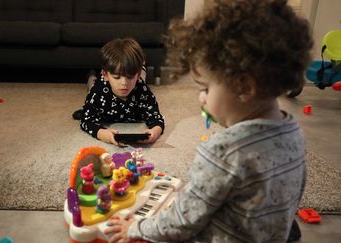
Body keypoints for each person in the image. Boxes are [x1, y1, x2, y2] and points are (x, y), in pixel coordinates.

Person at [105, 0, 312, 242]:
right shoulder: (293, 132)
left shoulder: (223, 151)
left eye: (206, 87)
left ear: (244, 87)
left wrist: (136, 229)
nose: (201, 97)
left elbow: (182, 223)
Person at [78, 38, 164, 145]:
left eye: (130, 77)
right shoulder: (98, 92)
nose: (124, 83)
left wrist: (154, 132)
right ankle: (91, 76)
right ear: (106, 75)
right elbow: (86, 120)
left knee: (142, 80)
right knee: (92, 84)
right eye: (117, 77)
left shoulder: (142, 89)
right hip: (99, 86)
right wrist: (102, 134)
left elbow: (156, 118)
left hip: (138, 81)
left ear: (136, 75)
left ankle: (141, 69)